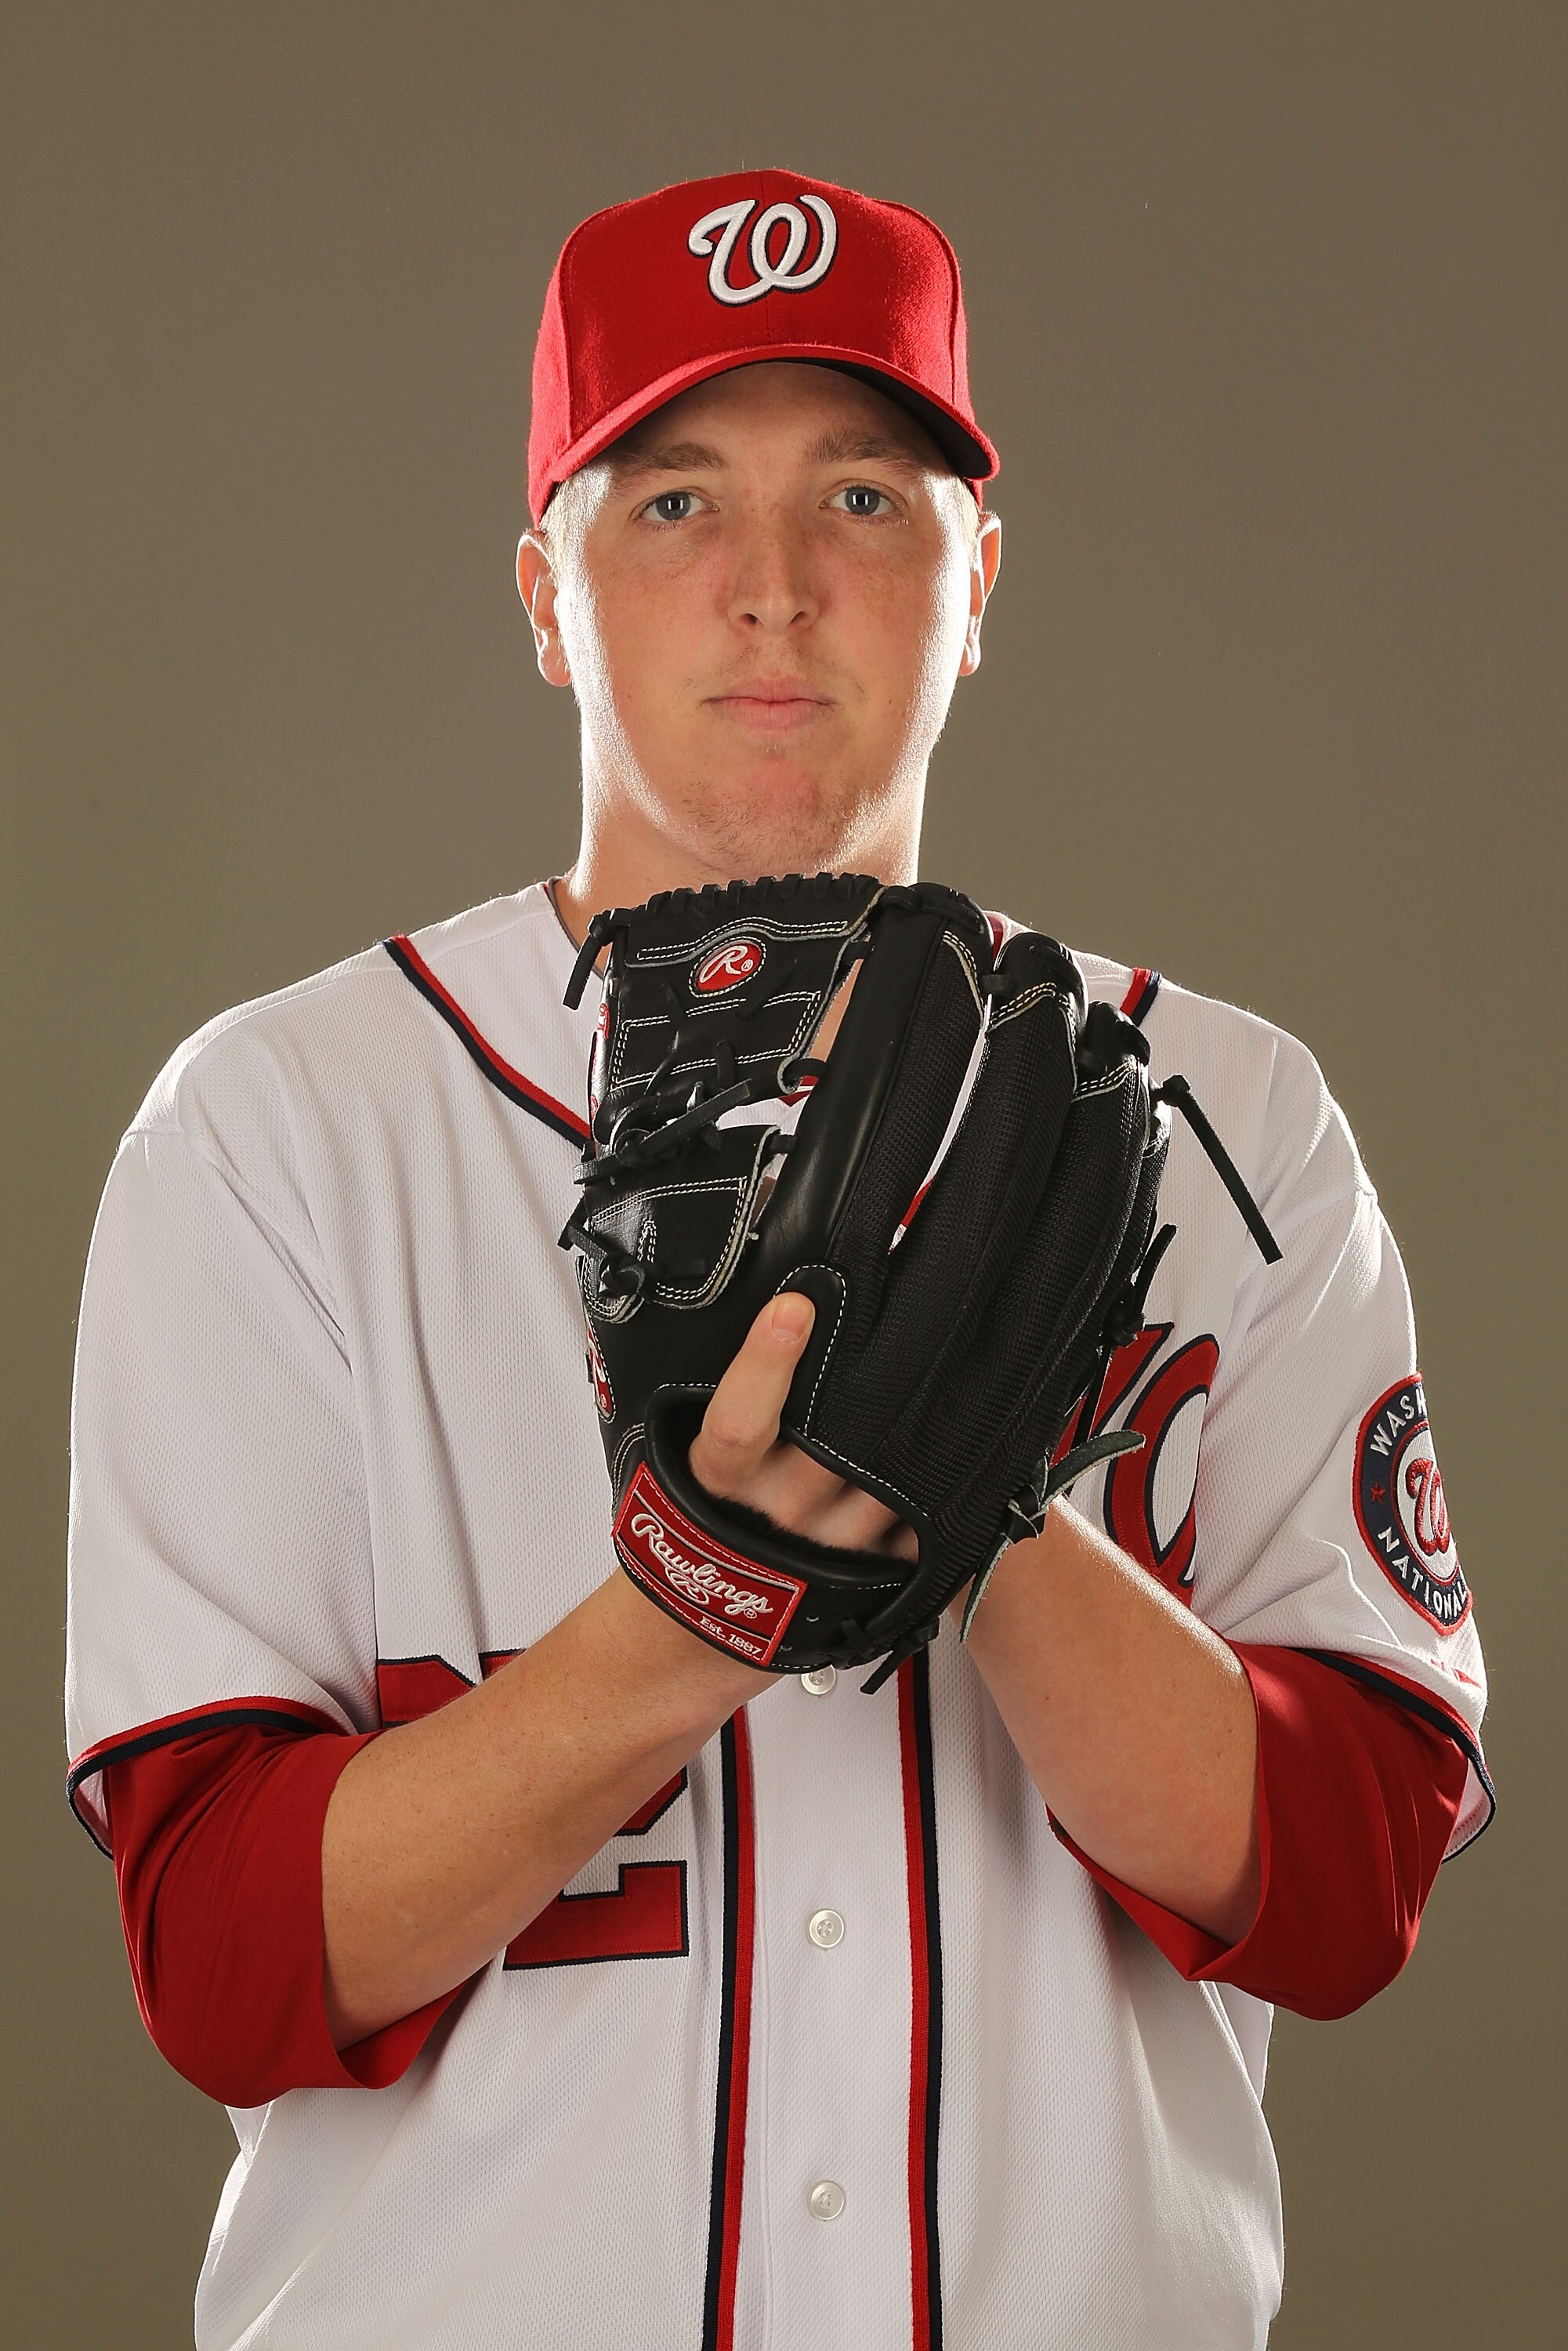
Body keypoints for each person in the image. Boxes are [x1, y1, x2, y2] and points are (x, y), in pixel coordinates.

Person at [65, 170, 1490, 2351]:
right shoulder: (280, 1127)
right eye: (667, 504)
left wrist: (971, 1491)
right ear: (543, 590)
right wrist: (698, 1600)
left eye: (862, 495)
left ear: (976, 581)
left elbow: (1346, 1885)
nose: (769, 588)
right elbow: (231, 1966)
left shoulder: (1224, 1111)